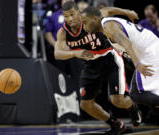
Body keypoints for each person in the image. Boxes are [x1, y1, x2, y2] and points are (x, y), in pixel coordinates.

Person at [55, 1, 141, 134]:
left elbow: (108, 10)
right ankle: (116, 124)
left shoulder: (89, 17)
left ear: (78, 12)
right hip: (91, 64)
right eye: (66, 16)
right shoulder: (63, 32)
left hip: (109, 58)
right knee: (85, 105)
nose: (70, 19)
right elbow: (57, 54)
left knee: (117, 101)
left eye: (72, 14)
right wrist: (74, 52)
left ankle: (132, 107)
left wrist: (128, 12)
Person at [80, 7, 159, 107]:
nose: (84, 27)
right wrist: (128, 12)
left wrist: (137, 64)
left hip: (149, 51)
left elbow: (127, 44)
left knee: (137, 94)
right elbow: (108, 10)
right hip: (151, 49)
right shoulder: (101, 18)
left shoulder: (109, 28)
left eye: (85, 22)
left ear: (95, 19)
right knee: (139, 92)